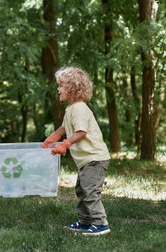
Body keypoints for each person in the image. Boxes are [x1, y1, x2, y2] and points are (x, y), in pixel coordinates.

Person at [42, 66, 111, 236]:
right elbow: (64, 128)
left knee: (89, 190)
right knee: (81, 189)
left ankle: (101, 223)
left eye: (61, 86)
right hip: (87, 160)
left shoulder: (79, 108)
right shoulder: (71, 109)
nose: (58, 89)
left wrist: (65, 144)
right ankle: (85, 222)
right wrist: (51, 139)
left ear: (73, 89)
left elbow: (81, 132)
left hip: (94, 158)